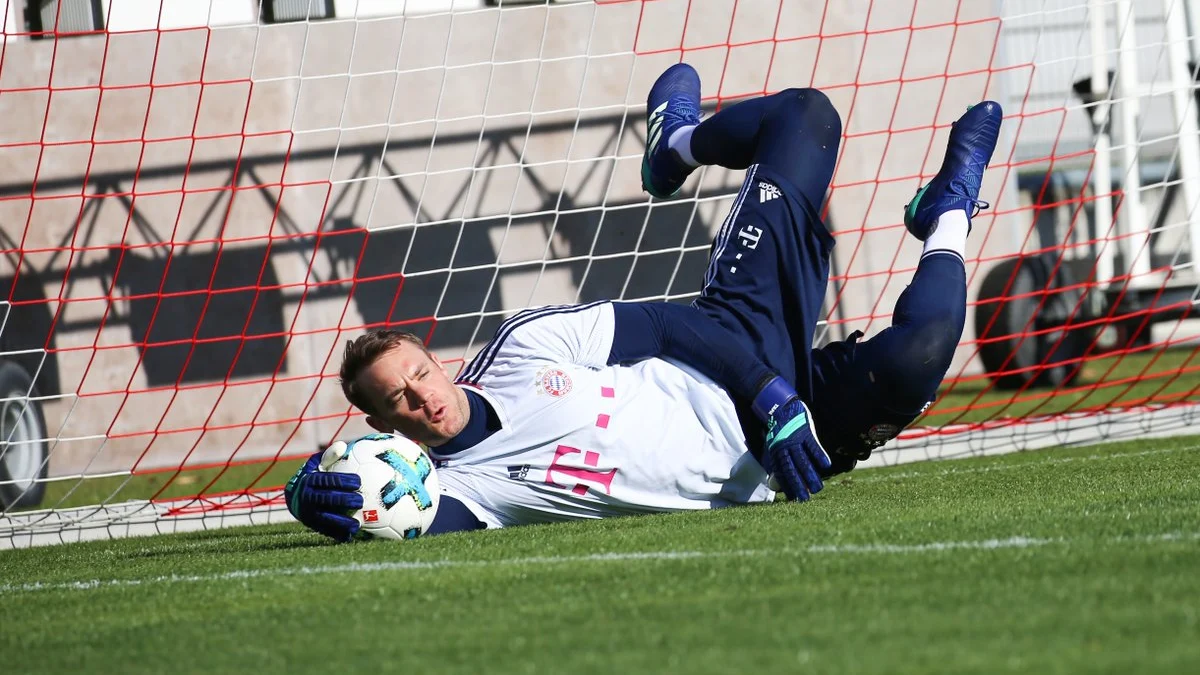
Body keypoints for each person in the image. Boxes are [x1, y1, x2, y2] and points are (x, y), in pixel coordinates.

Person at [285, 63, 1003, 541]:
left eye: (419, 375)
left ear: (436, 363)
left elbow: (664, 322)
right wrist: (312, 498)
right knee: (923, 351)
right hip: (772, 460)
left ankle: (677, 145)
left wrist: (770, 392)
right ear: (382, 422)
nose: (421, 397)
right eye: (399, 400)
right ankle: (949, 210)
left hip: (737, 351)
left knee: (808, 116)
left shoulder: (520, 350)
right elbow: (375, 504)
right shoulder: (462, 489)